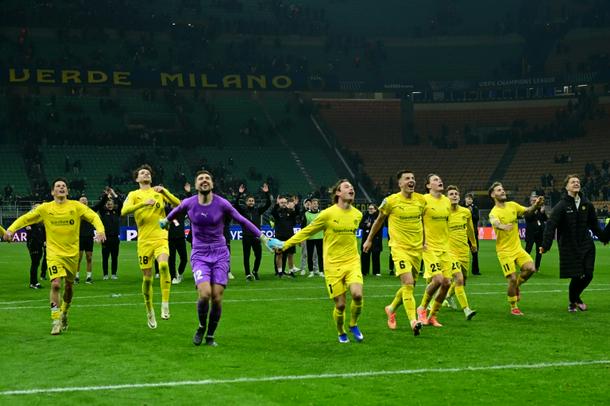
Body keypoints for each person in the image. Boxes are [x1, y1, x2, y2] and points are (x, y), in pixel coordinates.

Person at [162, 170, 271, 346]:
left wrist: (263, 237)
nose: (204, 181)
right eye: (200, 179)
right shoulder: (189, 203)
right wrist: (166, 220)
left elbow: (242, 220)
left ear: (212, 184)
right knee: (205, 294)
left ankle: (210, 335)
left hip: (220, 253)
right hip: (200, 254)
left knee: (217, 297)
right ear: (196, 185)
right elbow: (177, 210)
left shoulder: (222, 203)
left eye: (207, 178)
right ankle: (201, 326)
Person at [3, 178, 106, 335]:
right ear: (53, 192)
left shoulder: (76, 206)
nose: (61, 188)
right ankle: (55, 320)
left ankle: (64, 312)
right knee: (56, 285)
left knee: (69, 287)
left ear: (67, 191)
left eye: (64, 186)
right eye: (58, 186)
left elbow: (93, 216)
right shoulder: (45, 208)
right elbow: (26, 218)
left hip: (72, 254)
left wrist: (100, 230)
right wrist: (11, 230)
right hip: (54, 254)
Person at [276, 179, 364, 343]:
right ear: (338, 193)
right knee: (340, 305)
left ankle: (353, 324)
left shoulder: (357, 214)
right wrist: (285, 245)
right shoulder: (327, 214)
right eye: (346, 187)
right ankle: (341, 331)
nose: (351, 188)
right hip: (332, 265)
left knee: (357, 295)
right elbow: (307, 231)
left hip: (352, 262)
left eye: (352, 187)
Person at [363, 170, 425, 336]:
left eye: (413, 178)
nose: (411, 180)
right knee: (408, 283)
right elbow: (379, 220)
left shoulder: (421, 200)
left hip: (416, 250)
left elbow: (425, 222)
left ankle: (391, 308)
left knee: (410, 286)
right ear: (400, 183)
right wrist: (369, 239)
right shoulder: (390, 201)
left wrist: (426, 241)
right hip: (399, 248)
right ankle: (413, 321)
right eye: (407, 178)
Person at [121, 164, 181, 329]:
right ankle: (149, 310)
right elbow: (124, 211)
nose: (145, 174)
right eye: (142, 173)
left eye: (148, 173)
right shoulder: (133, 194)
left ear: (151, 177)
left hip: (161, 236)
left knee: (163, 265)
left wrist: (165, 191)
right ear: (137, 179)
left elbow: (179, 204)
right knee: (147, 278)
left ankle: (165, 303)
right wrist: (142, 204)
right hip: (144, 241)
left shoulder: (158, 192)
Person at [540, 175, 608, 312]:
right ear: (566, 187)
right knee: (576, 275)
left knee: (588, 274)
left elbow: (594, 225)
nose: (576, 183)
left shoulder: (587, 204)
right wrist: (545, 245)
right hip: (569, 246)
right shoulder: (561, 205)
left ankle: (574, 298)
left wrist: (603, 238)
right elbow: (551, 225)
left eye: (578, 182)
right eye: (573, 182)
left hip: (586, 244)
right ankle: (573, 301)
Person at [416, 174, 470, 327]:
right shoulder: (423, 200)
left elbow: (447, 224)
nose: (439, 181)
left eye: (440, 179)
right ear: (428, 185)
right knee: (438, 280)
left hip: (445, 248)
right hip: (429, 248)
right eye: (435, 180)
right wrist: (421, 240)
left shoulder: (446, 201)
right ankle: (422, 308)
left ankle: (433, 316)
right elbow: (417, 220)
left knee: (446, 283)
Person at [488, 181, 544, 316]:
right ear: (493, 195)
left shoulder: (512, 205)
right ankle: (514, 307)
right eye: (499, 190)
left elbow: (527, 211)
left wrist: (536, 205)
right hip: (504, 251)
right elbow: (494, 222)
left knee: (531, 268)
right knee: (512, 279)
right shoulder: (493, 212)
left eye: (503, 189)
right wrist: (502, 226)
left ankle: (517, 286)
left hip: (517, 248)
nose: (502, 191)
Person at [446, 185, 478, 319]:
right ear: (447, 198)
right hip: (449, 251)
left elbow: (470, 229)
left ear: (459, 197)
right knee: (458, 278)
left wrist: (473, 244)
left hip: (464, 250)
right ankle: (467, 309)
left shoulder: (466, 212)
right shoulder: (444, 212)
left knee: (463, 280)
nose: (454, 196)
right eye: (451, 194)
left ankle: (448, 296)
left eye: (456, 194)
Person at [232, 182, 271, 280]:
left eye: (252, 201)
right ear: (246, 202)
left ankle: (255, 271)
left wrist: (266, 193)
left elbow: (268, 204)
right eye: (249, 201)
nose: (251, 202)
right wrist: (239, 194)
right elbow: (235, 204)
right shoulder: (243, 211)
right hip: (246, 236)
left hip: (256, 236)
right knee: (246, 256)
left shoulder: (257, 211)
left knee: (258, 255)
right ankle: (248, 274)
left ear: (254, 202)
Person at [93, 187, 123, 280]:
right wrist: (106, 195)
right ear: (106, 205)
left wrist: (114, 194)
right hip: (105, 238)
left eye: (111, 203)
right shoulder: (103, 212)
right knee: (105, 258)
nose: (109, 205)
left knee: (114, 257)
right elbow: (100, 204)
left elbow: (121, 204)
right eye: (108, 203)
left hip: (115, 238)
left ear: (113, 204)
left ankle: (113, 274)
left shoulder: (117, 212)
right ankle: (105, 274)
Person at [168, 182, 192, 284]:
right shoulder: (166, 210)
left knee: (184, 259)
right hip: (170, 238)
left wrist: (188, 193)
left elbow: (191, 205)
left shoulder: (181, 212)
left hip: (181, 238)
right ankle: (173, 277)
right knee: (171, 259)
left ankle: (179, 273)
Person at [271, 195, 300, 277]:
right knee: (279, 255)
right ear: (279, 203)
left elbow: (297, 213)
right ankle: (280, 272)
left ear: (287, 203)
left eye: (285, 202)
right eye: (281, 202)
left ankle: (291, 272)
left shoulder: (290, 212)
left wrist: (296, 205)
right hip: (279, 237)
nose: (283, 204)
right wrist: (276, 204)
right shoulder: (277, 212)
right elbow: (272, 212)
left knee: (290, 255)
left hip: (290, 237)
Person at [524, 193, 548, 272]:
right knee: (528, 250)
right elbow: (528, 218)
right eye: (533, 201)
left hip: (540, 233)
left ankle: (537, 267)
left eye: (536, 200)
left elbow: (546, 219)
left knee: (539, 251)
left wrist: (543, 212)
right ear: (530, 202)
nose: (535, 202)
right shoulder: (527, 210)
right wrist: (534, 210)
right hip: (530, 233)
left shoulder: (541, 210)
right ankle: (524, 266)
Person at [25, 204, 47, 289]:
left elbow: (43, 232)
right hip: (33, 244)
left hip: (39, 243)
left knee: (36, 263)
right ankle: (33, 283)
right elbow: (25, 225)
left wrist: (44, 241)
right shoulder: (30, 219)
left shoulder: (40, 220)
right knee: (35, 263)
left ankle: (34, 282)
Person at [76, 195, 95, 284]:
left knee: (89, 258)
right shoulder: (76, 212)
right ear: (79, 202)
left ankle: (89, 277)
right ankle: (76, 277)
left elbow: (100, 204)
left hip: (89, 237)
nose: (84, 201)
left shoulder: (91, 211)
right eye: (82, 200)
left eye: (85, 200)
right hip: (79, 237)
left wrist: (106, 196)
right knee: (78, 258)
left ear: (87, 202)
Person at [304, 198, 324, 278]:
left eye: (316, 204)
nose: (315, 205)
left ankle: (321, 271)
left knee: (320, 255)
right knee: (310, 255)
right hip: (310, 237)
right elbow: (303, 226)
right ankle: (311, 271)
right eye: (314, 203)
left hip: (320, 237)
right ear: (311, 205)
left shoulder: (322, 213)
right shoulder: (306, 214)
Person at [360, 203, 381, 277]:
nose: (370, 210)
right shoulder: (365, 216)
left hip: (376, 239)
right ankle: (364, 271)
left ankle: (376, 272)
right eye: (369, 208)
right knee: (365, 254)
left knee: (375, 255)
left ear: (375, 209)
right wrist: (366, 225)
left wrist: (371, 225)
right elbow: (360, 225)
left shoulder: (378, 216)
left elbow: (380, 226)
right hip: (365, 238)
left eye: (371, 209)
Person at [464, 193, 481, 275]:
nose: (470, 200)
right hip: (463, 233)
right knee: (462, 252)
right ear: (465, 199)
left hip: (473, 232)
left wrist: (471, 212)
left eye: (471, 199)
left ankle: (475, 270)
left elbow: (477, 218)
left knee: (475, 252)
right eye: (468, 198)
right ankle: (461, 269)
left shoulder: (475, 208)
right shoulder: (461, 207)